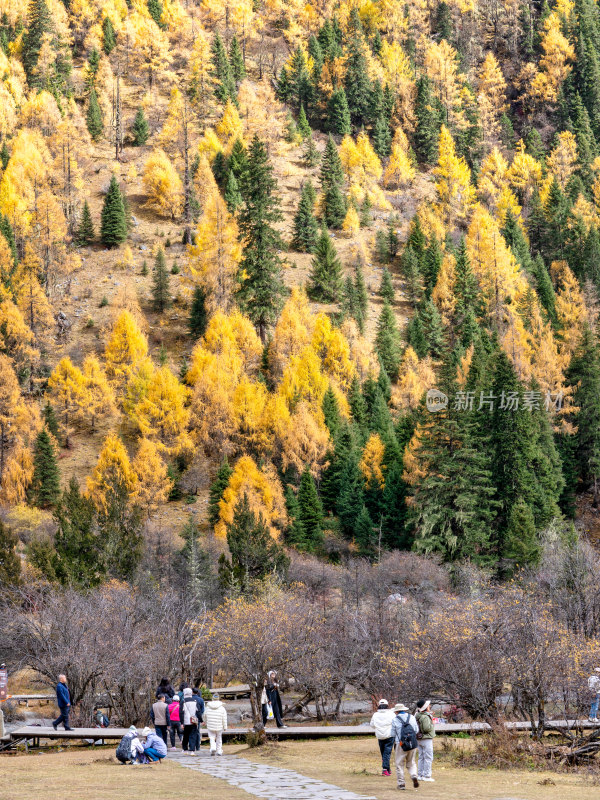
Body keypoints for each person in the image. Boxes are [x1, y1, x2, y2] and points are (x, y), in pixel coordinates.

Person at [391, 703, 419, 790]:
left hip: (401, 744)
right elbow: (416, 730)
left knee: (399, 763)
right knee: (411, 763)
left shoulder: (395, 720)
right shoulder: (412, 717)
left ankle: (401, 784)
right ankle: (414, 775)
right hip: (412, 743)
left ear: (396, 711)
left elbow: (392, 734)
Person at [369, 698, 396, 776]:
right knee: (387, 753)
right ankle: (385, 769)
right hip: (389, 735)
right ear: (387, 705)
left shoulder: (375, 714)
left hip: (380, 736)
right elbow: (395, 723)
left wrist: (378, 727)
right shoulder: (391, 714)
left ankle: (388, 769)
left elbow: (372, 725)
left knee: (383, 753)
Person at [415, 699, 436, 782]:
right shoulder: (425, 717)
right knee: (428, 757)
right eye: (428, 705)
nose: (429, 706)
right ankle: (427, 775)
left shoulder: (417, 715)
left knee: (421, 757)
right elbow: (427, 728)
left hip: (418, 738)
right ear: (425, 707)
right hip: (426, 738)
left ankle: (420, 774)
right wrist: (432, 725)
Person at [180, 687, 199, 754]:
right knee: (193, 735)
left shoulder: (183, 701)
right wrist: (200, 720)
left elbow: (181, 712)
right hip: (193, 721)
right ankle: (192, 750)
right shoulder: (195, 701)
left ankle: (185, 748)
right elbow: (198, 711)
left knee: (185, 735)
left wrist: (181, 723)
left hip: (186, 721)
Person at [191, 687, 205, 752]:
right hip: (198, 718)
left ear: (192, 692)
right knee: (197, 732)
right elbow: (202, 710)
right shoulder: (201, 700)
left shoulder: (189, 699)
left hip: (190, 718)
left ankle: (191, 746)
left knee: (191, 732)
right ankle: (198, 746)